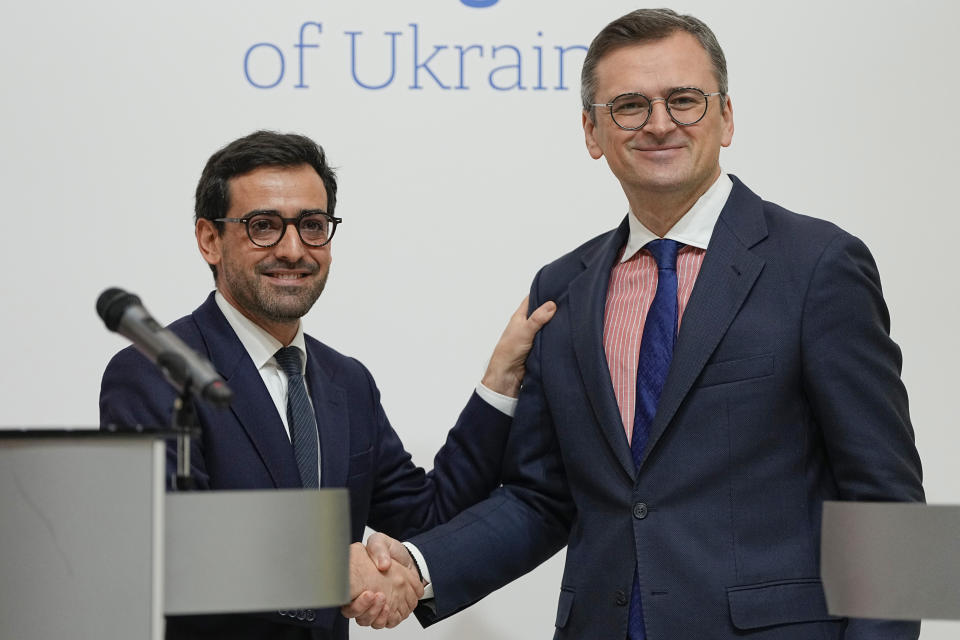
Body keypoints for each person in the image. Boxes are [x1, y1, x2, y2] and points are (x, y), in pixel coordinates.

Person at [359, 8, 925, 639]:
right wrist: (417, 565)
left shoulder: (818, 265)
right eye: (629, 106)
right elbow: (542, 497)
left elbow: (888, 507)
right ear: (592, 131)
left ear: (727, 117)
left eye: (684, 100)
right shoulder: (562, 287)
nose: (659, 124)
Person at [99, 130, 556, 640]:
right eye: (263, 227)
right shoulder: (156, 370)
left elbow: (424, 516)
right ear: (210, 239)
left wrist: (498, 382)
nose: (294, 250)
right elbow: (164, 543)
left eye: (312, 226)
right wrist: (335, 567)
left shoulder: (347, 382)